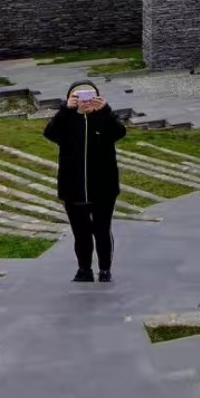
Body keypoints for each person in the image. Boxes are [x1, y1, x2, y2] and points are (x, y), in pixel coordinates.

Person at [44, 80, 126, 283]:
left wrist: (105, 110)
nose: (85, 101)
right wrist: (65, 110)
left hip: (104, 188)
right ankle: (84, 269)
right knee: (81, 233)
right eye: (79, 96)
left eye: (89, 96)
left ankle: (105, 270)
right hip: (73, 188)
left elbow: (120, 132)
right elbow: (50, 133)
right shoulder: (67, 119)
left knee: (101, 230)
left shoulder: (104, 117)